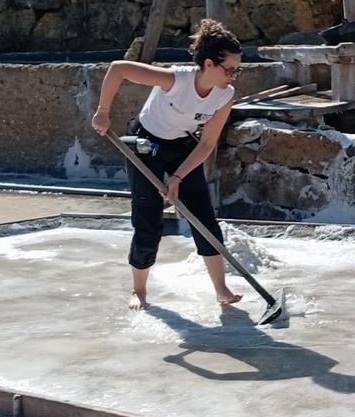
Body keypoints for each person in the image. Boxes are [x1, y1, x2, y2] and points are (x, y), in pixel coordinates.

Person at [91, 19, 244, 312]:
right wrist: (103, 112)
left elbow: (207, 144)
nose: (234, 76)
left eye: (238, 69)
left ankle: (221, 289)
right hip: (145, 143)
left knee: (203, 217)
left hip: (182, 147)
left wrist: (177, 177)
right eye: (230, 69)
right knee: (148, 217)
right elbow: (118, 69)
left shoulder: (225, 95)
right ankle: (138, 289)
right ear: (209, 64)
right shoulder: (177, 80)